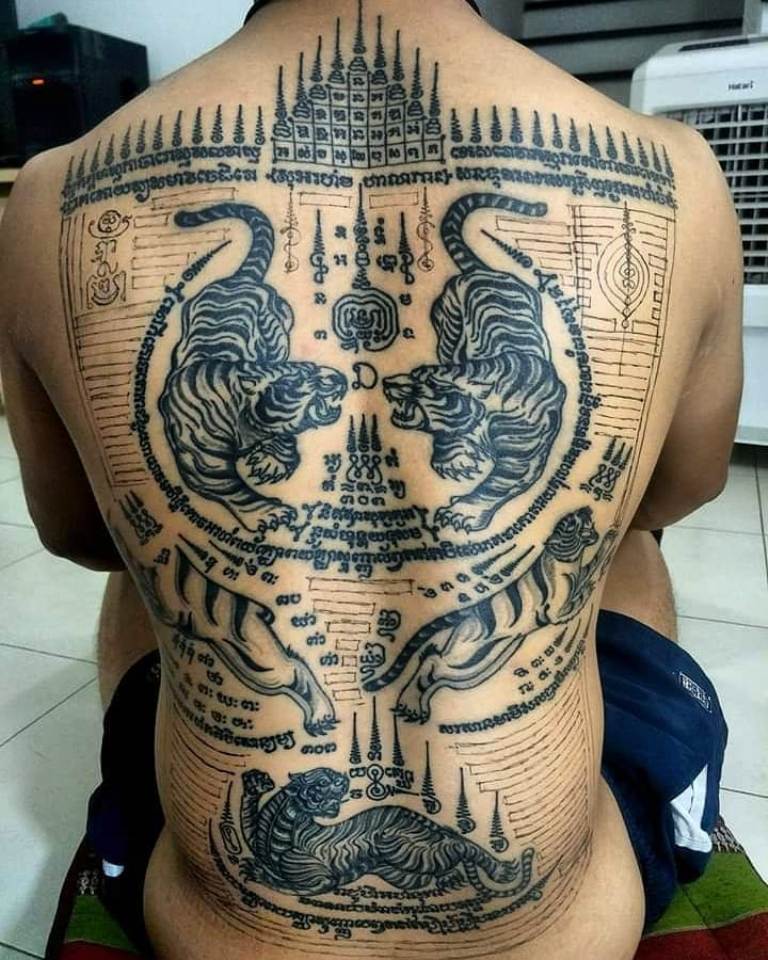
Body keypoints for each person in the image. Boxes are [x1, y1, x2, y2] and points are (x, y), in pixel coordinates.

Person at [0, 0, 741, 957]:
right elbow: (682, 488)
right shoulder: (678, 173)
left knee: (146, 547)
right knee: (620, 528)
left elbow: (76, 534)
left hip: (202, 930)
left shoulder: (51, 194)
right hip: (570, 929)